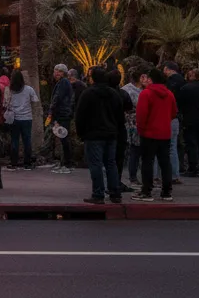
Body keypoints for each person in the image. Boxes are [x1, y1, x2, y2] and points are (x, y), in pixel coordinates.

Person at [73, 67, 122, 205]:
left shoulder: (88, 94)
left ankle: (98, 193)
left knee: (96, 164)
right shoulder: (114, 94)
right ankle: (115, 193)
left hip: (93, 134)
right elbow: (119, 115)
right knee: (111, 163)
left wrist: (81, 133)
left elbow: (80, 115)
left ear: (93, 78)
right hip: (110, 133)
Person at [133, 69, 178, 202]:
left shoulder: (146, 94)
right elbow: (174, 112)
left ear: (151, 79)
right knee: (165, 162)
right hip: (164, 133)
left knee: (147, 162)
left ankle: (147, 191)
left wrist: (141, 129)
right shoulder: (169, 94)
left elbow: (141, 115)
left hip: (148, 132)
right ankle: (166, 191)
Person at [4, 70, 39, 170]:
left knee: (14, 140)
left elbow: (5, 103)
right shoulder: (29, 89)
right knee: (27, 141)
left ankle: (13, 162)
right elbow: (35, 100)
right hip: (27, 118)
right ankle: (27, 163)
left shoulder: (9, 90)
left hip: (14, 119)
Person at [47, 64, 74, 171]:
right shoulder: (63, 82)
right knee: (63, 138)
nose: (56, 73)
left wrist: (51, 111)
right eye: (55, 71)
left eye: (59, 71)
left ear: (63, 73)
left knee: (64, 138)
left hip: (63, 114)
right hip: (63, 113)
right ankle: (66, 162)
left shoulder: (63, 82)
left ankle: (67, 163)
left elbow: (57, 97)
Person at [122, 69, 146, 187]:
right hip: (132, 124)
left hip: (140, 124)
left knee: (137, 151)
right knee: (134, 151)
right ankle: (132, 176)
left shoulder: (144, 89)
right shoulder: (128, 90)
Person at [162, 61, 185, 181]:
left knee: (167, 147)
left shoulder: (171, 83)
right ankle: (175, 174)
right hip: (177, 115)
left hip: (169, 116)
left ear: (168, 69)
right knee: (174, 146)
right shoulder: (182, 81)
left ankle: (163, 175)